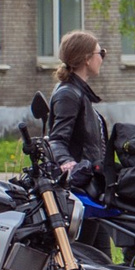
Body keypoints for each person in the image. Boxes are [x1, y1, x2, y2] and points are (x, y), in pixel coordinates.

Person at [43, 29, 113, 194]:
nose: (102, 58)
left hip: (90, 182)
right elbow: (57, 140)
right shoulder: (68, 94)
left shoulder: (77, 92)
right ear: (87, 59)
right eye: (100, 53)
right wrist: (71, 167)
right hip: (81, 188)